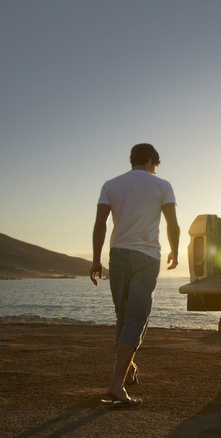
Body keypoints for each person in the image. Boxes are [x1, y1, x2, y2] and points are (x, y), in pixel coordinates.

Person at [90, 143, 180, 407]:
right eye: (155, 165)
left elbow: (100, 224)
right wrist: (175, 250)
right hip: (146, 256)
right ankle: (116, 385)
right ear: (152, 160)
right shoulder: (162, 185)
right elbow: (172, 223)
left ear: (132, 160)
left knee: (124, 314)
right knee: (136, 317)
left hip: (117, 257)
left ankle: (128, 370)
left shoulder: (111, 184)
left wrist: (96, 259)